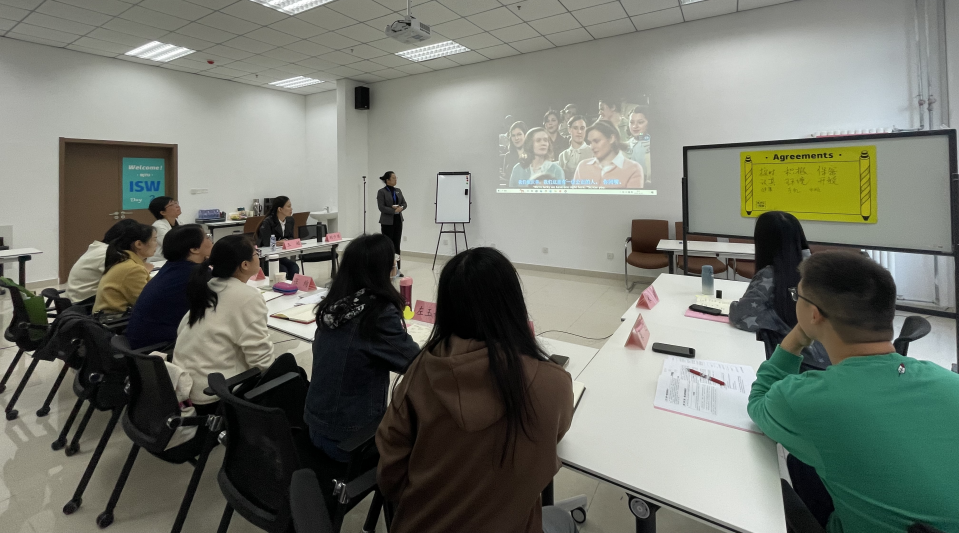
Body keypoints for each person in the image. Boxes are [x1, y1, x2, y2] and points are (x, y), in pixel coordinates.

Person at [748, 251, 959, 532]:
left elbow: (758, 400)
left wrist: (797, 337)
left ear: (813, 314)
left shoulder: (807, 399)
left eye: (797, 296)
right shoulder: (950, 382)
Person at [377, 247, 576, 533]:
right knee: (561, 520)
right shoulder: (553, 383)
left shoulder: (419, 373)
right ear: (513, 305)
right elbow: (554, 436)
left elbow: (390, 476)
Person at [305, 233, 420, 466]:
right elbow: (414, 363)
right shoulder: (376, 314)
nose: (395, 266)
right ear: (382, 270)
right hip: (351, 438)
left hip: (315, 425)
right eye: (393, 262)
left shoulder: (335, 305)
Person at [172, 235, 277, 414]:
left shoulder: (208, 286)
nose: (258, 256)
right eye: (256, 253)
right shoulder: (246, 296)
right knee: (289, 371)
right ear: (245, 264)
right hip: (215, 395)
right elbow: (261, 361)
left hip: (188, 386)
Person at [125, 225, 212, 350]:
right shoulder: (194, 274)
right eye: (206, 237)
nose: (210, 240)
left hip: (139, 341)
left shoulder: (172, 267)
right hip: (160, 347)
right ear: (194, 249)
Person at [729, 211, 813, 335]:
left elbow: (739, 316)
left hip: (783, 343)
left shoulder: (769, 275)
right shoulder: (814, 270)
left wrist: (733, 305)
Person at [65, 219, 141, 305]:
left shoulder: (98, 247)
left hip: (77, 299)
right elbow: (125, 282)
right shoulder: (108, 253)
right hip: (85, 304)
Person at [92, 222, 156, 315]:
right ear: (138, 244)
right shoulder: (132, 269)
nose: (157, 244)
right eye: (154, 240)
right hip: (117, 320)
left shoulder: (126, 262)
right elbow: (149, 304)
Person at [572, 120, 644, 189]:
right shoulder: (583, 166)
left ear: (611, 138)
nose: (592, 147)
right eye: (590, 143)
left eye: (596, 141)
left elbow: (632, 197)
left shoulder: (633, 169)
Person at [257, 195, 300, 280]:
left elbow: (291, 238)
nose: (291, 209)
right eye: (288, 206)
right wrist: (277, 243)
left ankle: (291, 286)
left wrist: (286, 241)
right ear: (280, 209)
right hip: (266, 258)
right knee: (283, 270)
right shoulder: (268, 222)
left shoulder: (290, 220)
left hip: (280, 255)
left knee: (294, 267)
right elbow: (266, 242)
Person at [377, 171, 408, 276]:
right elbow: (381, 207)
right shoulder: (381, 192)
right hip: (387, 222)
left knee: (396, 245)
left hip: (398, 220)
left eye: (396, 178)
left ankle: (397, 269)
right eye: (393, 178)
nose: (395, 180)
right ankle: (387, 269)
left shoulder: (398, 191)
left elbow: (404, 203)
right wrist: (393, 210)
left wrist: (401, 208)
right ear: (387, 180)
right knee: (388, 246)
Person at [557, 115, 592, 182]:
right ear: (569, 130)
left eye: (582, 128)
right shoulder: (562, 156)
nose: (579, 132)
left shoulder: (593, 152)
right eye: (575, 128)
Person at [148, 196, 180, 262]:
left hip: (175, 258)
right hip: (160, 261)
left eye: (175, 203)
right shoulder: (158, 226)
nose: (177, 206)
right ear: (163, 212)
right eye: (172, 204)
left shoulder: (180, 222)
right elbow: (171, 245)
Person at [625, 106, 651, 182]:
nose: (635, 126)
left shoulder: (656, 145)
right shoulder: (623, 147)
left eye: (640, 122)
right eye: (632, 122)